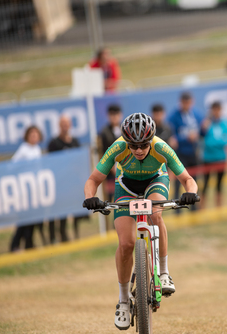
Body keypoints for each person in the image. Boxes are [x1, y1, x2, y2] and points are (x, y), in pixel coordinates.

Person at [83, 113, 199, 330]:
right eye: (133, 145)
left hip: (155, 181)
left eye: (143, 144)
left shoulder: (161, 147)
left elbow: (187, 179)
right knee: (126, 244)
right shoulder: (118, 147)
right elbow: (93, 180)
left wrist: (190, 193)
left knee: (155, 214)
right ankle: (124, 301)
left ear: (151, 140)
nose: (138, 149)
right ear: (126, 142)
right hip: (126, 187)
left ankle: (163, 273)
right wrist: (90, 198)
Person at [10, 125, 45, 251]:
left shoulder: (37, 149)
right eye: (32, 134)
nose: (34, 136)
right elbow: (12, 166)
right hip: (24, 191)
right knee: (24, 220)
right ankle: (15, 245)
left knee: (33, 219)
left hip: (35, 190)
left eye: (36, 134)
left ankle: (29, 244)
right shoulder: (23, 149)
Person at [47, 115, 81, 243]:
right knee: (58, 211)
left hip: (72, 184)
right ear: (59, 125)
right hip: (59, 184)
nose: (65, 126)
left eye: (67, 123)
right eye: (62, 124)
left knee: (71, 210)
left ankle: (70, 234)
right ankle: (56, 237)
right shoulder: (53, 143)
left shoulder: (75, 142)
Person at [168, 92, 204, 210]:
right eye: (185, 103)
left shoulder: (197, 114)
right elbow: (172, 137)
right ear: (181, 102)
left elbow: (202, 131)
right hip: (180, 154)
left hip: (193, 152)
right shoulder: (174, 116)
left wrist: (202, 130)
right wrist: (185, 137)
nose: (187, 105)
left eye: (189, 102)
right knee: (179, 181)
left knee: (194, 179)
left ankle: (193, 207)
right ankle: (178, 207)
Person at [200, 102, 227, 208]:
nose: (216, 112)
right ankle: (201, 208)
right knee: (205, 184)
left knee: (219, 185)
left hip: (221, 158)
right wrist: (217, 141)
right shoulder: (207, 123)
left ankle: (218, 207)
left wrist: (214, 142)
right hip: (207, 158)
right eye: (214, 110)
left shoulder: (225, 123)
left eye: (218, 110)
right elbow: (205, 140)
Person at [99, 104, 123, 205]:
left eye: (116, 114)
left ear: (120, 115)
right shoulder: (104, 133)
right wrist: (112, 167)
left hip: (125, 166)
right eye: (112, 114)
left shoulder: (124, 129)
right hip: (109, 170)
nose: (114, 117)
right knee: (109, 198)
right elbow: (103, 151)